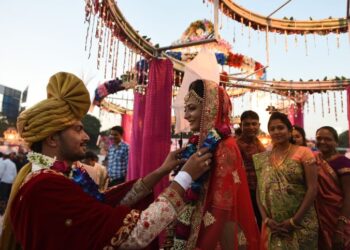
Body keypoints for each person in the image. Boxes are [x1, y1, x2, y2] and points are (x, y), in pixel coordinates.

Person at [0, 72, 214, 250]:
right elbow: (135, 233)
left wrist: (161, 171)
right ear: (52, 139)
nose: (86, 137)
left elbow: (104, 203)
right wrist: (185, 177)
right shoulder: (46, 186)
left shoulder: (53, 177)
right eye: (78, 129)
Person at [163, 79, 260, 249]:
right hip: (195, 222)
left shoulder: (225, 146)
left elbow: (222, 205)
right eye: (186, 109)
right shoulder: (197, 143)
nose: (186, 116)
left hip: (214, 232)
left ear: (211, 109)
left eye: (192, 108)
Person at [253, 112, 318, 249]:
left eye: (280, 127)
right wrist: (266, 220)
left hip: (301, 224)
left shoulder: (304, 152)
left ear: (289, 131)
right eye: (272, 129)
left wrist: (294, 221)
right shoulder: (263, 158)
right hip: (273, 227)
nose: (276, 132)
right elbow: (260, 192)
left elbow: (312, 189)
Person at [315, 126, 350, 249]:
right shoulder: (313, 160)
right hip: (318, 218)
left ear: (336, 142)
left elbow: (348, 196)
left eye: (328, 139)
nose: (322, 142)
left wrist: (340, 227)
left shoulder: (343, 162)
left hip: (338, 218)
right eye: (319, 138)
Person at [236, 110, 265, 228]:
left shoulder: (260, 144)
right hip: (243, 191)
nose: (251, 127)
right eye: (247, 124)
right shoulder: (235, 145)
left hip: (261, 191)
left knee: (261, 223)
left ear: (259, 125)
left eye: (254, 124)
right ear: (241, 126)